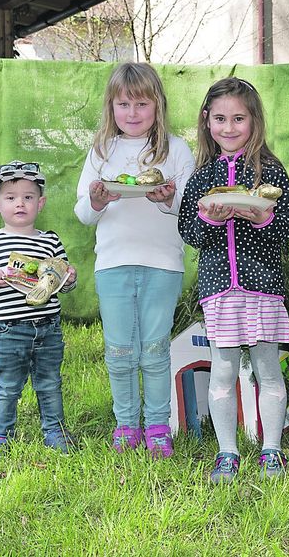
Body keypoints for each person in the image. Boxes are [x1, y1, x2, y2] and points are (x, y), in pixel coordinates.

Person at [178, 77, 289, 484]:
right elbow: (189, 232)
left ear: (254, 121)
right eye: (220, 119)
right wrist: (209, 220)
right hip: (219, 290)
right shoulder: (201, 177)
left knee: (268, 369)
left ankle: (272, 450)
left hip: (262, 286)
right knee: (223, 371)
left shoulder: (270, 171)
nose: (228, 127)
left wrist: (262, 217)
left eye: (238, 119)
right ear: (206, 120)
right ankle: (227, 452)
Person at [74, 62, 195, 458]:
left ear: (157, 105)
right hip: (113, 263)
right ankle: (126, 424)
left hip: (163, 264)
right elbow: (83, 212)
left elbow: (191, 209)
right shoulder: (102, 151)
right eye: (123, 104)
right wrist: (97, 201)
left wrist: (168, 200)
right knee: (119, 350)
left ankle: (158, 425)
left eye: (141, 103)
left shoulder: (175, 149)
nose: (132, 113)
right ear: (111, 107)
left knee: (155, 348)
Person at [0, 161, 78, 460]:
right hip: (8, 330)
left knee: (50, 382)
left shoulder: (50, 241)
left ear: (40, 203)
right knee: (6, 386)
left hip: (48, 326)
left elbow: (61, 283)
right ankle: (0, 437)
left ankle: (55, 431)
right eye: (11, 197)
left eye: (28, 197)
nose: (20, 203)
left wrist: (68, 279)